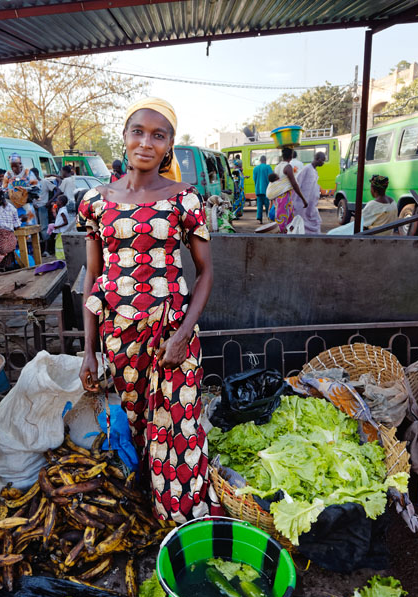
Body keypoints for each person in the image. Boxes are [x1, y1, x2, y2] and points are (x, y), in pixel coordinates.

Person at [77, 97, 218, 524]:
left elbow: (206, 273)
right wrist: (89, 348)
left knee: (179, 426)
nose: (146, 142)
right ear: (124, 137)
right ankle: (151, 507)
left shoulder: (185, 200)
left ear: (170, 145)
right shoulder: (95, 202)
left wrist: (183, 334)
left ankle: (182, 518)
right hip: (118, 334)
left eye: (159, 135)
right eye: (138, 131)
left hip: (172, 331)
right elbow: (92, 276)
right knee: (139, 425)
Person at [328, 175, 397, 235]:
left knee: (332, 233)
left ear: (373, 189)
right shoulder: (393, 202)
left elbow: (360, 223)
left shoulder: (373, 205)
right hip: (386, 236)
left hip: (373, 240)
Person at [272, 147, 308, 233]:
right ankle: (284, 241)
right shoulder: (288, 167)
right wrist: (303, 199)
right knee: (286, 222)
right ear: (291, 156)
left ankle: (280, 239)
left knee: (280, 219)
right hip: (285, 197)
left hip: (278, 197)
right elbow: (294, 184)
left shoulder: (277, 167)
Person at [290, 151, 325, 233]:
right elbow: (298, 183)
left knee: (315, 221)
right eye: (322, 160)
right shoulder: (307, 169)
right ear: (317, 159)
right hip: (302, 204)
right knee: (302, 223)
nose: (323, 163)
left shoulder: (314, 170)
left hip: (311, 204)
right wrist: (298, 200)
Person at [252, 155, 272, 224]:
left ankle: (260, 219)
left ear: (260, 160)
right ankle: (269, 218)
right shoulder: (268, 167)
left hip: (258, 190)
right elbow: (271, 178)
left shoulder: (255, 168)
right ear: (265, 160)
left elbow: (254, 179)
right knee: (267, 205)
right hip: (266, 190)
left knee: (259, 205)